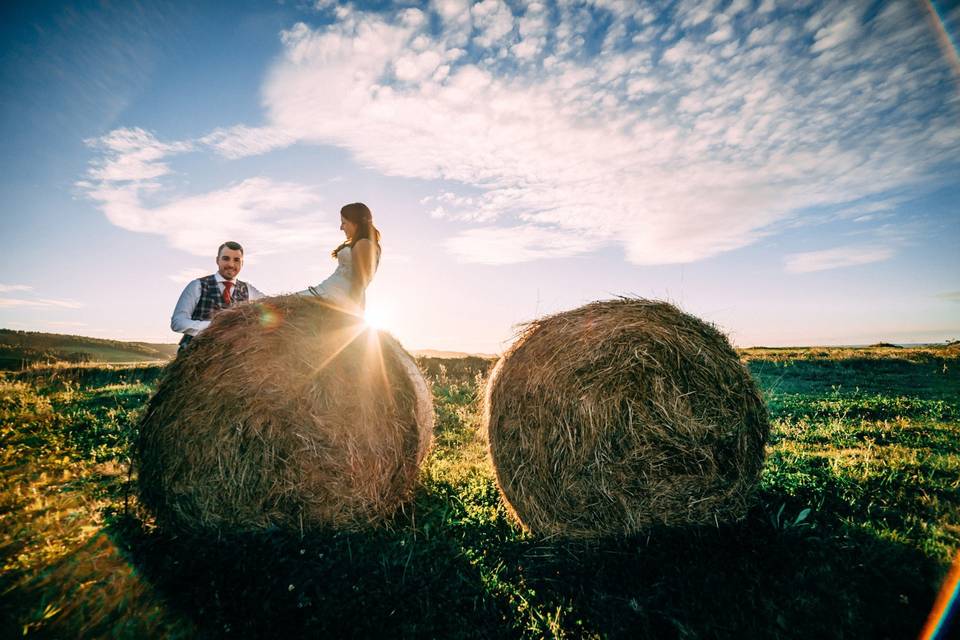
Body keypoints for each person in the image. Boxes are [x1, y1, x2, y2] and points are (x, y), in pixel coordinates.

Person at [171, 241, 265, 352]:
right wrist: (213, 326)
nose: (231, 264)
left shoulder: (249, 290)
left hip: (230, 358)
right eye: (226, 258)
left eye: (236, 260)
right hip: (193, 356)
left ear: (242, 263)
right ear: (217, 260)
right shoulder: (197, 285)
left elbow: (272, 306)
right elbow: (178, 322)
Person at [299, 202, 381, 312]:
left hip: (333, 298)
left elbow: (359, 281)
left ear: (355, 223)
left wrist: (351, 311)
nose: (341, 227)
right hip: (326, 292)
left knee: (275, 305)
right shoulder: (362, 243)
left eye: (344, 223)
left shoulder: (364, 244)